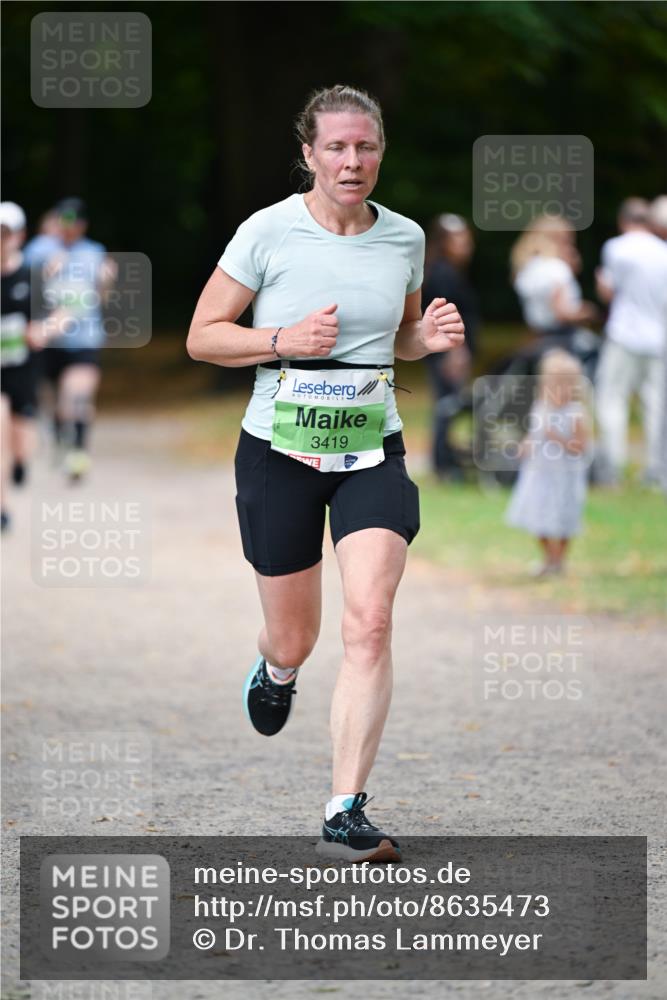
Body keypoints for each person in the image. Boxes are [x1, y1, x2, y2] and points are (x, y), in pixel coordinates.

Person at [188, 85, 465, 862]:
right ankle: (277, 667)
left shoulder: (404, 238)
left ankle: (344, 809)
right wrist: (283, 339)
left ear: (381, 152)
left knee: (369, 620)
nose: (352, 160)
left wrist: (426, 337)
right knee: (298, 633)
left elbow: (397, 340)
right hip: (278, 452)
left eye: (366, 146)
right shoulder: (266, 232)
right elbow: (203, 337)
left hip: (370, 449)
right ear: (309, 154)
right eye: (337, 147)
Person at [23, 197, 115, 482]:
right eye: (63, 221)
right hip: (48, 342)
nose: (68, 227)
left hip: (84, 338)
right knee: (55, 403)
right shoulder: (38, 250)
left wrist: (106, 282)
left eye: (74, 221)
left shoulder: (94, 253)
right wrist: (41, 273)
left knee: (77, 395)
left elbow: (101, 300)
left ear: (83, 225)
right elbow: (20, 288)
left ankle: (78, 450)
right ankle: (63, 441)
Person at [594, 198, 667, 486]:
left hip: (624, 333)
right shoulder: (663, 251)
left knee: (612, 399)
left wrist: (602, 287)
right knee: (656, 404)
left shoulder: (616, 247)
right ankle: (656, 471)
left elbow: (610, 293)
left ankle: (612, 468)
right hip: (659, 337)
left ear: (623, 221)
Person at [506, 350, 589, 577]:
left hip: (564, 476)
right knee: (538, 516)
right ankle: (548, 558)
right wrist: (524, 446)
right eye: (553, 385)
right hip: (539, 474)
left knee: (563, 518)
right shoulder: (541, 408)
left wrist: (560, 440)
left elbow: (581, 447)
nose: (559, 392)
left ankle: (559, 559)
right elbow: (534, 434)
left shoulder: (576, 413)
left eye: (565, 385)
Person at [422, 213, 479, 479]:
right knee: (447, 404)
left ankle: (444, 459)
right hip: (447, 351)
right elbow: (444, 316)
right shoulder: (443, 274)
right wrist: (455, 351)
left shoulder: (448, 271)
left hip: (449, 350)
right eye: (460, 241)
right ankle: (443, 463)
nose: (466, 246)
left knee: (447, 403)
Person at [511, 216, 599, 364]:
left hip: (538, 340)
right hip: (564, 341)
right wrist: (588, 311)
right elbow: (562, 313)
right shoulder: (558, 269)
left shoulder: (528, 267)